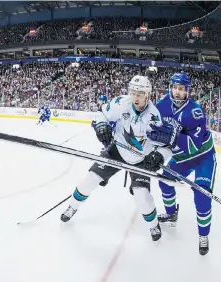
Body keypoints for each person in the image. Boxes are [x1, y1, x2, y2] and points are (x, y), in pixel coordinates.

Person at [60, 75, 177, 241]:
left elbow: (166, 147)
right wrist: (101, 126)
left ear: (148, 95)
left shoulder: (154, 117)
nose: (135, 97)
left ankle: (153, 225)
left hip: (141, 160)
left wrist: (159, 156)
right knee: (90, 180)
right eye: (133, 92)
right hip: (117, 151)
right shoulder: (121, 103)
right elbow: (101, 114)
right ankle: (72, 207)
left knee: (141, 196)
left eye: (140, 93)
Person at [154, 73, 216, 255]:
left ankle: (203, 235)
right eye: (175, 87)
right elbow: (154, 132)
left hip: (202, 157)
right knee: (164, 180)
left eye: (182, 89)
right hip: (182, 158)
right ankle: (172, 214)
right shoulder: (162, 105)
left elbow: (192, 146)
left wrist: (172, 137)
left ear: (188, 91)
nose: (178, 92)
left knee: (202, 197)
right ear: (170, 87)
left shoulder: (195, 111)